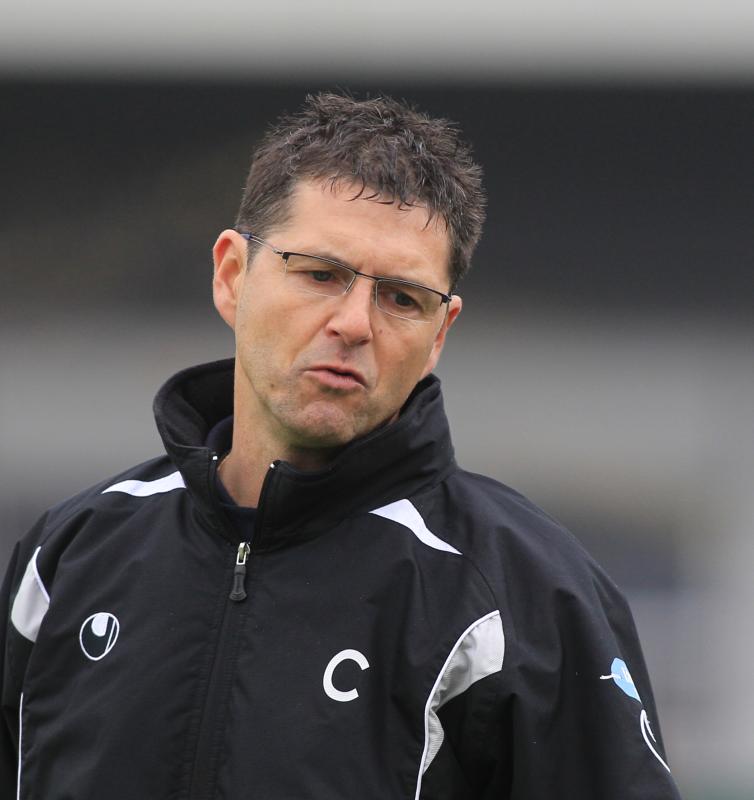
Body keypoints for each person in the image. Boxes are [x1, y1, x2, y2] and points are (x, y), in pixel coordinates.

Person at [0, 92, 682, 799]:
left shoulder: (528, 597)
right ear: (232, 276)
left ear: (439, 334)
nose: (354, 324)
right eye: (320, 274)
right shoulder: (68, 557)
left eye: (401, 298)